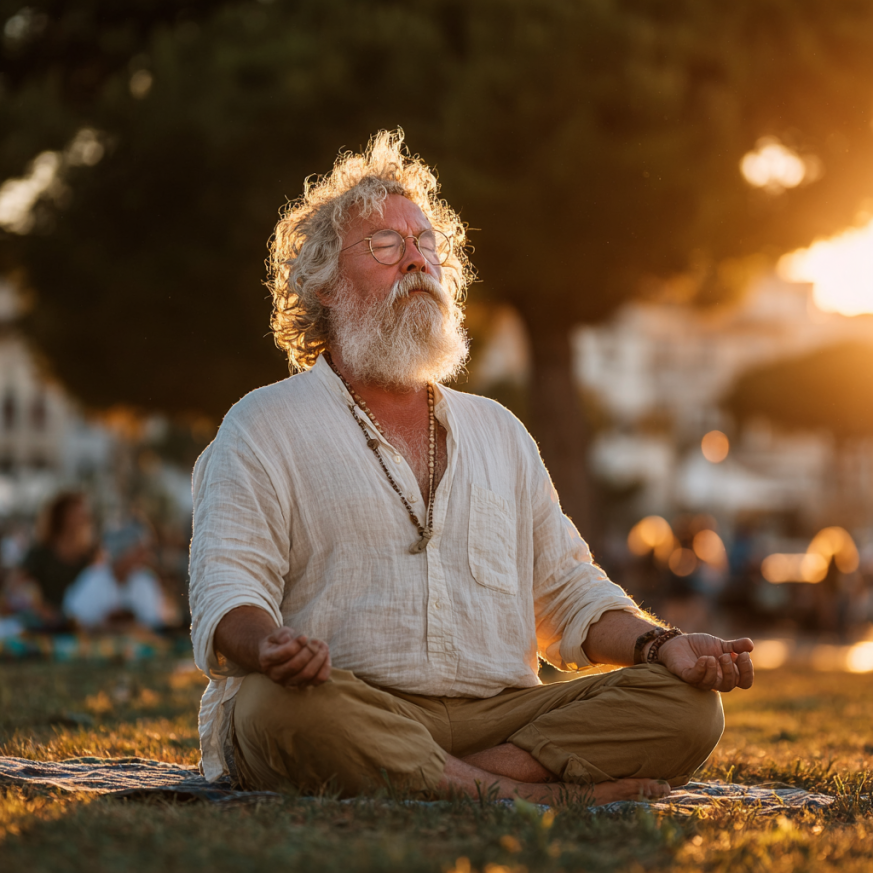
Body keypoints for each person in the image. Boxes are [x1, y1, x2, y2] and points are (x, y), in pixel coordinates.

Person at [189, 130, 754, 806]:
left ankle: (454, 779)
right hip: (345, 702)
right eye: (386, 245)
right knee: (265, 708)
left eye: (426, 244)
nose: (417, 262)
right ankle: (532, 793)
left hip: (502, 712)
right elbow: (227, 591)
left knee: (688, 707)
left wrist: (663, 647)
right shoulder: (263, 422)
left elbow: (568, 591)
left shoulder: (499, 429)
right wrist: (273, 646)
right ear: (325, 285)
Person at [64, 523, 166, 630]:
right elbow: (75, 618)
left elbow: (152, 622)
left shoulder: (145, 582)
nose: (142, 557)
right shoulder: (93, 579)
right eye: (137, 552)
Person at [16, 491, 96, 621]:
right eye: (76, 513)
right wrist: (38, 606)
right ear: (61, 516)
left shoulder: (92, 554)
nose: (83, 517)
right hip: (43, 623)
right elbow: (20, 585)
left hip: (81, 623)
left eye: (84, 513)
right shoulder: (40, 552)